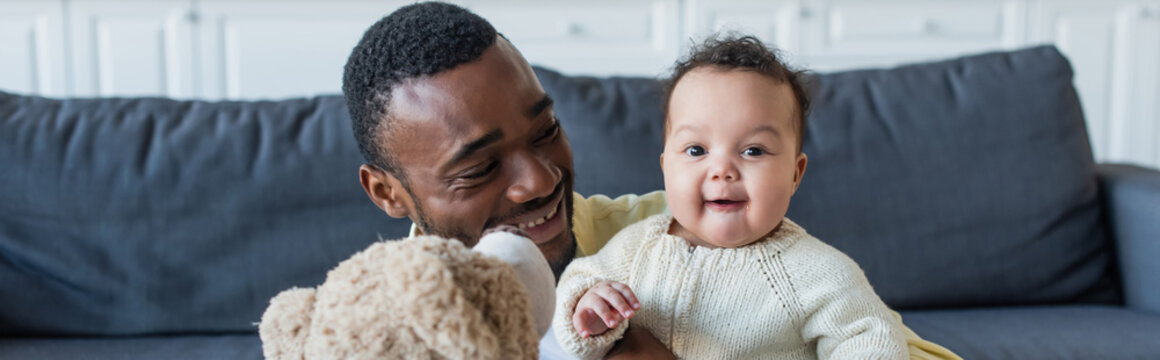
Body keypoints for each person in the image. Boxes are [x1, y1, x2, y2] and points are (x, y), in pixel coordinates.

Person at [342, 2, 960, 359]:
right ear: (387, 192)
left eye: (545, 131)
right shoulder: (386, 327)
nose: (537, 180)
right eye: (478, 169)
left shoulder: (680, 227)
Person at [553, 35, 908, 360]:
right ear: (665, 168)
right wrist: (589, 309)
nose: (722, 169)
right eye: (696, 149)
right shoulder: (636, 247)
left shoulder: (816, 272)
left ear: (795, 174)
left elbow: (873, 342)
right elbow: (576, 285)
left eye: (753, 150)